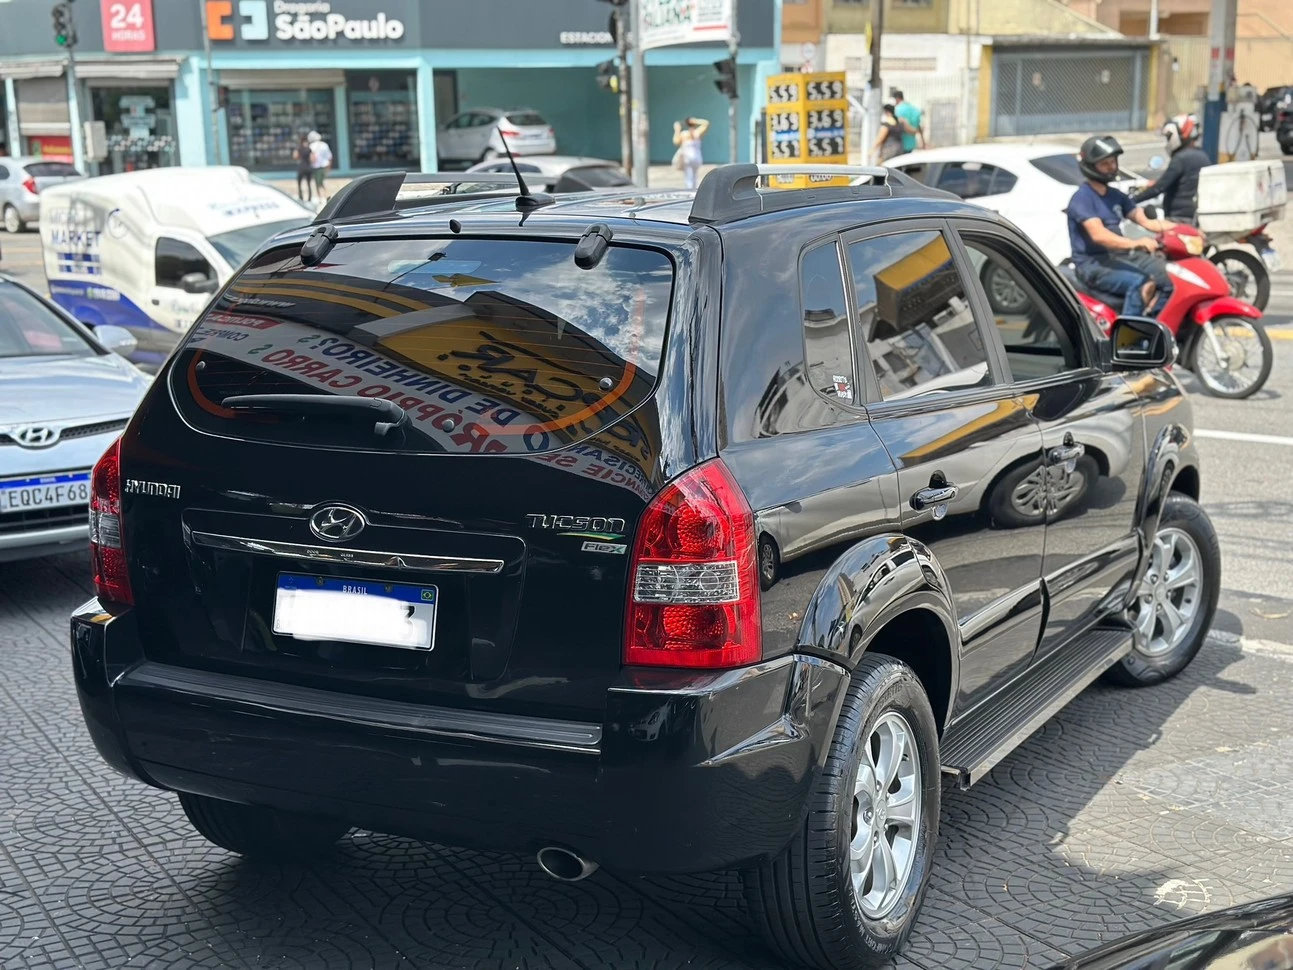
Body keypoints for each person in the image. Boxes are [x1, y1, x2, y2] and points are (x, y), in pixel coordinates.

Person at [1067, 134, 1176, 318]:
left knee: (1170, 278)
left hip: (1117, 258)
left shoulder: (1116, 196)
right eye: (1105, 163)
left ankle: (1153, 324)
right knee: (1141, 283)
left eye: (1113, 162)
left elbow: (1146, 221)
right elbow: (1099, 235)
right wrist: (1137, 243)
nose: (1111, 167)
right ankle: (1128, 333)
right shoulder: (1083, 198)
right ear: (1091, 166)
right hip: (1091, 265)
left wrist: (1181, 230)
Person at [1130, 114, 1209, 224]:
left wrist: (1131, 201)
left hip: (1178, 217)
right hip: (1193, 216)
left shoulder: (1180, 158)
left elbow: (1159, 188)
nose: (1168, 142)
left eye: (1168, 137)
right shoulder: (1202, 155)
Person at [672, 117, 709, 191]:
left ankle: (690, 191)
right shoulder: (697, 133)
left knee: (689, 178)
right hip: (696, 158)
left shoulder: (684, 134)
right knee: (694, 177)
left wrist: (677, 129)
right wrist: (696, 121)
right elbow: (706, 123)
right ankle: (694, 191)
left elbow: (676, 141)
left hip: (688, 159)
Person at [890, 88, 927, 152]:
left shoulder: (897, 109)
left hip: (899, 145)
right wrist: (923, 143)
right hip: (911, 144)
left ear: (897, 99)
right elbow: (919, 126)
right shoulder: (914, 109)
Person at [308, 130, 333, 204]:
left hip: (317, 167)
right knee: (322, 182)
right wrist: (329, 167)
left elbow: (311, 158)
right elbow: (330, 157)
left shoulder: (311, 146)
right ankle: (326, 196)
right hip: (324, 166)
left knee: (318, 183)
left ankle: (321, 198)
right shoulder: (325, 145)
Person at [293, 134, 313, 203]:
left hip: (301, 167)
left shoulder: (299, 148)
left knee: (299, 184)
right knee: (309, 184)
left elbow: (295, 157)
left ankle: (301, 197)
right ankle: (309, 198)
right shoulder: (309, 149)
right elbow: (312, 159)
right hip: (308, 167)